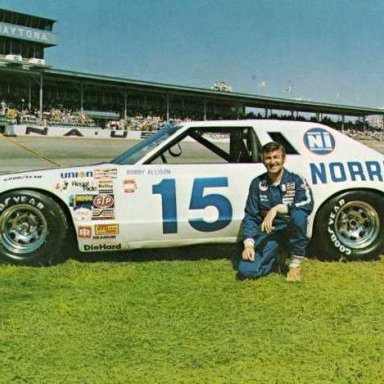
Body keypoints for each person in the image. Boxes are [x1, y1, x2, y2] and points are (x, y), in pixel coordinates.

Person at [238, 141, 314, 282]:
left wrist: (277, 209)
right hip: (270, 232)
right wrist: (248, 244)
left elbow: (308, 203)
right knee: (246, 271)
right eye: (268, 158)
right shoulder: (257, 183)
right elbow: (250, 215)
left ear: (283, 159)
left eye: (276, 157)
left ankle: (295, 264)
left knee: (299, 215)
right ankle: (277, 254)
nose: (272, 162)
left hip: (291, 229)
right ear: (263, 160)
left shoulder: (296, 180)